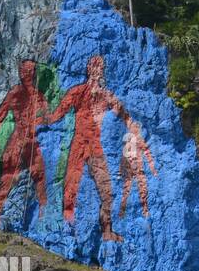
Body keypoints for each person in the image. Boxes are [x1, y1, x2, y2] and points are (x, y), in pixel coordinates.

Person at [46, 55, 136, 242]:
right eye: (94, 67)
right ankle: (65, 226)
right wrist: (39, 118)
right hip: (79, 144)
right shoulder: (78, 92)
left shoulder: (106, 95)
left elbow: (125, 116)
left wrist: (129, 127)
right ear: (88, 69)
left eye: (100, 67)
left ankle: (107, 230)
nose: (97, 71)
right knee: (70, 185)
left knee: (107, 190)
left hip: (95, 148)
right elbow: (57, 114)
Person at [0, 60, 52, 228]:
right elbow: (0, 116)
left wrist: (42, 117)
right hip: (17, 139)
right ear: (20, 72)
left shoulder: (39, 96)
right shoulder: (15, 93)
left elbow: (48, 118)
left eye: (31, 71)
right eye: (25, 71)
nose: (28, 74)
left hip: (32, 142)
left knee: (40, 176)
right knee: (8, 177)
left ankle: (43, 217)